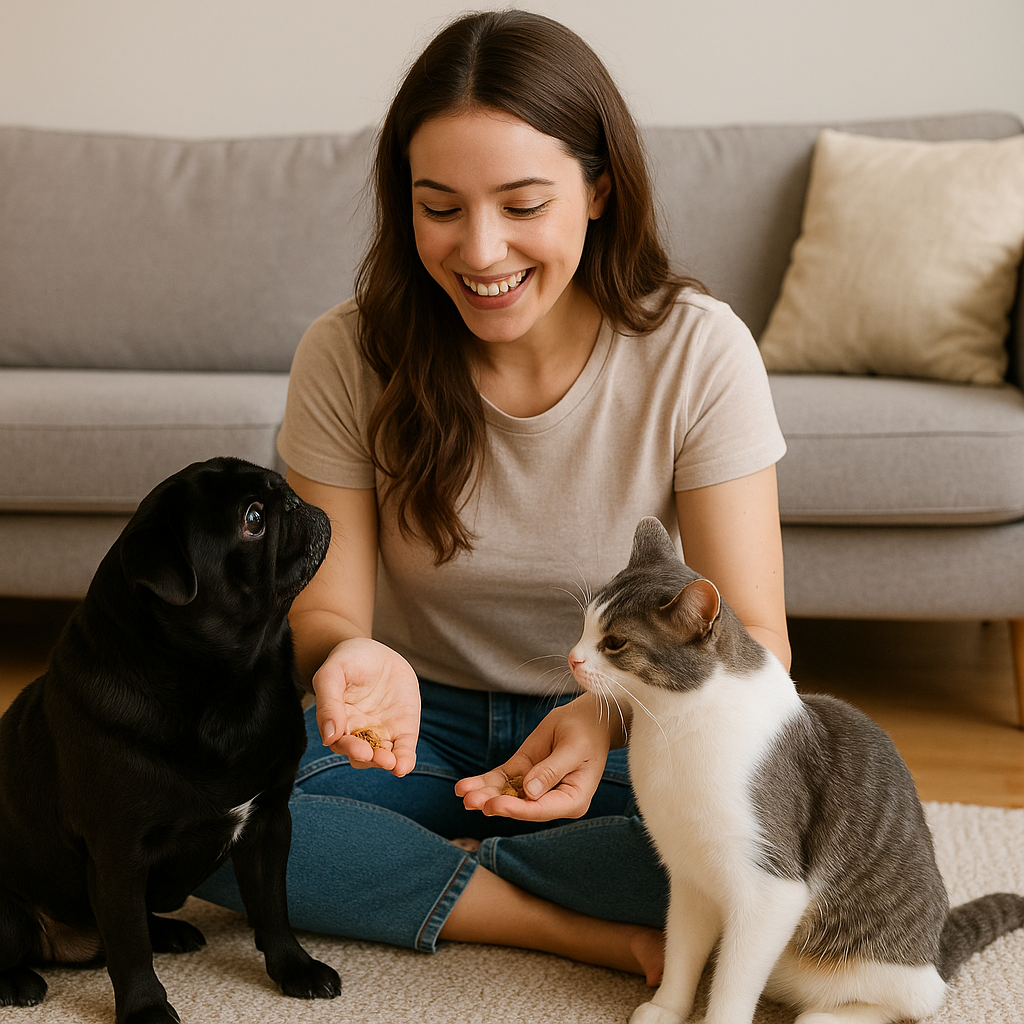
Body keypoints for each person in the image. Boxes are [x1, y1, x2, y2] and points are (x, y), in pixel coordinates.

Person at [196, 9, 789, 983]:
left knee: (785, 847)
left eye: (522, 205)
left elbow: (757, 638)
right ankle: (559, 920)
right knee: (203, 820)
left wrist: (608, 715)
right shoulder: (345, 352)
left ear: (598, 189)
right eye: (440, 207)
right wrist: (349, 653)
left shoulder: (698, 347)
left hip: (627, 722)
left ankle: (430, 872)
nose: (479, 251)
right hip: (411, 731)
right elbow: (326, 614)